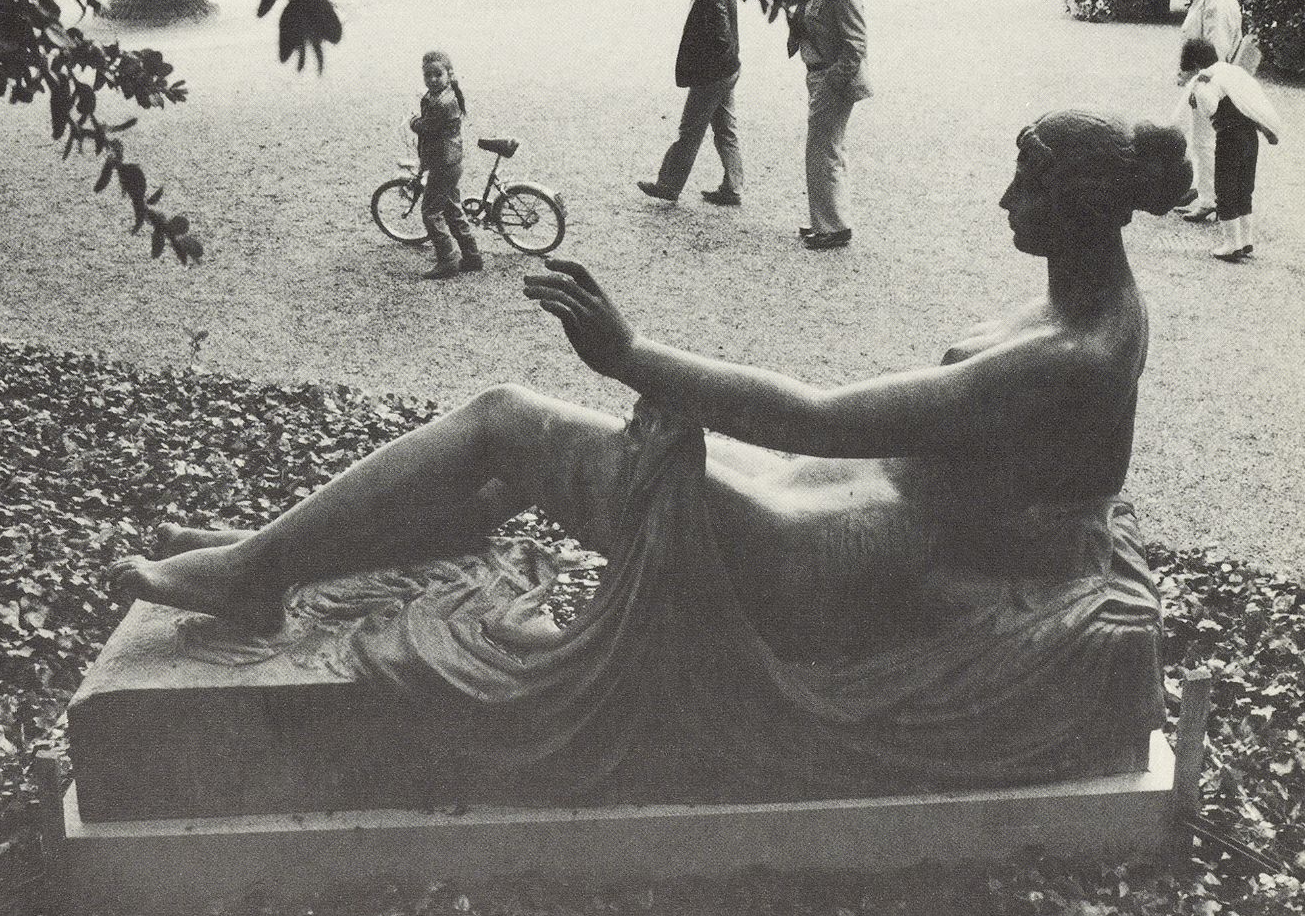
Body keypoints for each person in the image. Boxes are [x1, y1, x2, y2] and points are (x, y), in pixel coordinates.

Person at [109, 111, 1190, 798]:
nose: (1005, 201)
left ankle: (256, 574)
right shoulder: (1082, 301)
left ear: (1083, 206)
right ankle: (283, 553)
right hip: (858, 509)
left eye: (1028, 186)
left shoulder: (1072, 353)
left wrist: (631, 355)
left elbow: (814, 414)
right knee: (499, 469)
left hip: (841, 557)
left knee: (503, 421)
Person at [637, 0, 744, 207]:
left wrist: (700, 72)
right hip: (728, 70)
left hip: (713, 76)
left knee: (689, 130)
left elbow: (720, 40)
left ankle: (669, 185)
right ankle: (733, 186)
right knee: (725, 129)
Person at [789, 0, 870, 250]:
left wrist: (831, 85)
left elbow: (856, 43)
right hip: (819, 76)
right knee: (824, 149)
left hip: (833, 79)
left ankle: (835, 228)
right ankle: (827, 220)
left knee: (823, 150)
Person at [1178, 39, 1283, 261]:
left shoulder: (1207, 78)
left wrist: (1197, 87)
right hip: (1250, 137)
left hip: (1229, 137)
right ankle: (1246, 241)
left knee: (1225, 188)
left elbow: (1209, 108)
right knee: (1244, 189)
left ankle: (1230, 244)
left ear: (1196, 63)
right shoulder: (1233, 71)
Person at [1171, 0, 1243, 225]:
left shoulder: (1219, 1)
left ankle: (1208, 200)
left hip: (1210, 79)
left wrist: (1199, 82)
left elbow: (1217, 50)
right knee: (1180, 130)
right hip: (1200, 75)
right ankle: (1199, 189)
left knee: (1202, 140)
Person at [409, 50, 482, 281]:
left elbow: (426, 127)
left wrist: (413, 122)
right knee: (451, 208)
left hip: (443, 163)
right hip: (451, 161)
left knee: (431, 212)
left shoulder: (442, 102)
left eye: (437, 74)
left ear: (448, 74)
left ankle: (448, 259)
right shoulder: (445, 95)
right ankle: (471, 255)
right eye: (427, 75)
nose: (432, 79)